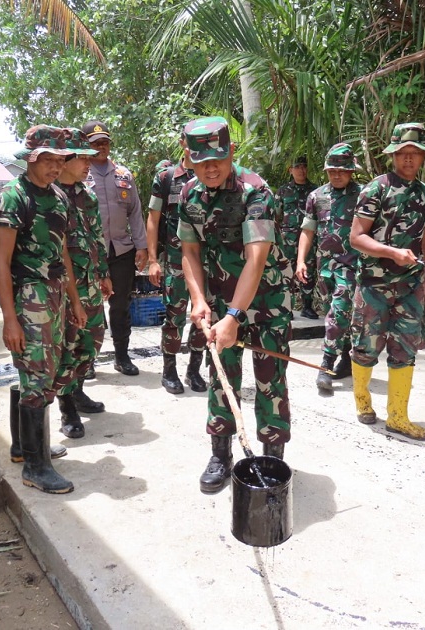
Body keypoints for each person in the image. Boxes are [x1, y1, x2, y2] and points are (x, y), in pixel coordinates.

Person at [178, 116, 293, 493]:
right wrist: (198, 299)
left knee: (269, 379)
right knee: (221, 375)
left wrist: (234, 315)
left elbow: (256, 259)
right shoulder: (188, 195)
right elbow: (189, 252)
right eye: (202, 160)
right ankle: (221, 453)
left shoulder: (255, 192)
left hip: (266, 301)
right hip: (219, 297)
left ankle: (272, 458)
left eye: (218, 158)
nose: (211, 167)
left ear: (230, 153)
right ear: (189, 159)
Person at [0, 125, 87, 494]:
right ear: (30, 158)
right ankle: (35, 466)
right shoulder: (13, 198)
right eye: (46, 159)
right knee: (36, 374)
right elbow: (1, 263)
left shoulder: (59, 198)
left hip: (56, 294)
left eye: (58, 160)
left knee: (46, 370)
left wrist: (76, 301)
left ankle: (23, 447)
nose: (53, 167)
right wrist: (10, 319)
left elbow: (62, 252)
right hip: (28, 297)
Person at [349, 122, 425, 440]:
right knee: (366, 348)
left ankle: (398, 416)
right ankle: (363, 401)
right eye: (404, 153)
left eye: (415, 153)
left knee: (405, 350)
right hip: (374, 284)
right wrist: (391, 252)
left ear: (423, 157)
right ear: (393, 155)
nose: (409, 159)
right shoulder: (376, 189)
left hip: (410, 286)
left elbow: (423, 240)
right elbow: (356, 237)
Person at [54, 128, 112, 438]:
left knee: (92, 341)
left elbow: (97, 237)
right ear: (65, 160)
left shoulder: (86, 195)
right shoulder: (50, 195)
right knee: (68, 344)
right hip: (64, 287)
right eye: (83, 159)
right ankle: (66, 406)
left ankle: (76, 389)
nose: (89, 164)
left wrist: (103, 272)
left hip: (90, 281)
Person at [82, 119, 148, 376]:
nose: (101, 146)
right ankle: (86, 361)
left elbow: (135, 213)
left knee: (120, 305)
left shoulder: (123, 174)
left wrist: (141, 246)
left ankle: (122, 356)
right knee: (90, 306)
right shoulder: (78, 173)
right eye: (95, 143)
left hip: (121, 250)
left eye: (105, 142)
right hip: (88, 253)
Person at [296, 144, 362, 393]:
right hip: (324, 268)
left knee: (339, 311)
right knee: (333, 315)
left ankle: (325, 364)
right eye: (332, 170)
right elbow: (308, 230)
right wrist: (301, 260)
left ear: (351, 171)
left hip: (351, 266)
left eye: (341, 171)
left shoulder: (363, 195)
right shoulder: (316, 196)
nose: (336, 175)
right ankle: (345, 359)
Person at [146, 129, 207, 395]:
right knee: (174, 316)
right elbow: (153, 219)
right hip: (175, 260)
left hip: (207, 262)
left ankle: (194, 370)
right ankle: (169, 370)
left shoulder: (211, 174)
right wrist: (152, 260)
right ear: (182, 143)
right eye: (189, 142)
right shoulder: (166, 177)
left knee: (205, 316)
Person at [276, 156, 318, 319]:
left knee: (308, 271)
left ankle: (307, 306)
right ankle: (287, 308)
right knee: (287, 272)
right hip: (288, 240)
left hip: (308, 239)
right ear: (290, 170)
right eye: (297, 167)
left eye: (304, 166)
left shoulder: (314, 191)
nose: (301, 170)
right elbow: (275, 216)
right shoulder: (283, 191)